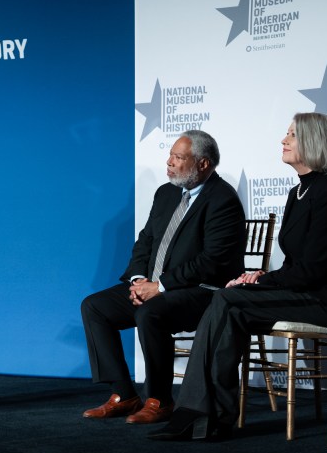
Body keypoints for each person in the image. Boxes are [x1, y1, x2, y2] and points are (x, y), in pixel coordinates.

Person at [150, 112, 327, 441]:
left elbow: (315, 271)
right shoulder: (298, 193)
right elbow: (297, 265)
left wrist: (261, 281)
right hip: (302, 293)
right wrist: (260, 275)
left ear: (315, 142)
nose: (283, 140)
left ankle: (203, 414)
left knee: (229, 301)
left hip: (324, 301)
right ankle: (202, 413)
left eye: (292, 135)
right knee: (226, 302)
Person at [80, 130, 246, 425]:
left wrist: (160, 286)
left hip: (202, 292)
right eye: (170, 155)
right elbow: (145, 241)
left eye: (178, 158)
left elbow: (212, 262)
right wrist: (138, 281)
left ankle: (159, 400)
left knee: (151, 312)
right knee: (94, 307)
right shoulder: (166, 193)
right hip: (155, 286)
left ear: (203, 163)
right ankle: (123, 394)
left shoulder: (223, 200)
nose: (169, 162)